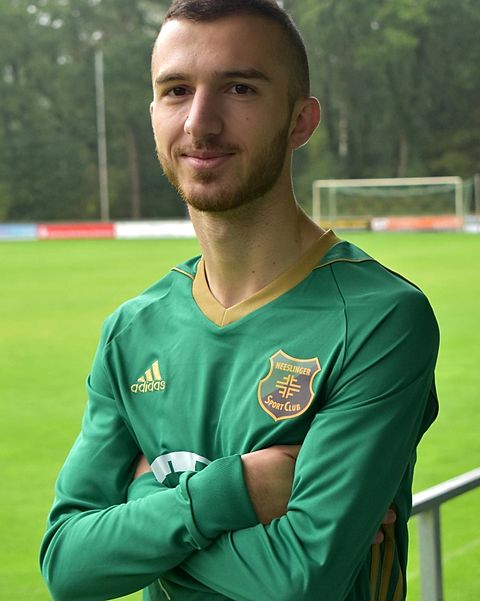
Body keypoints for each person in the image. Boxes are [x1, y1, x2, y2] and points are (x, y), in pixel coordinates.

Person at [40, 1, 439, 600]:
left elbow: (300, 581)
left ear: (300, 121)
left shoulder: (379, 317)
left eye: (239, 88)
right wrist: (238, 492)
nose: (200, 123)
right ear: (153, 113)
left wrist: (143, 506)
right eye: (176, 90)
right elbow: (68, 563)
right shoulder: (133, 330)